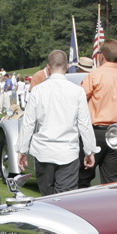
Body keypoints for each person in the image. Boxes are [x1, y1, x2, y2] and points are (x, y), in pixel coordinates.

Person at [17, 50, 98, 195]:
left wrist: (22, 150)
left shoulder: (37, 91)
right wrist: (89, 150)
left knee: (46, 198)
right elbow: (84, 124)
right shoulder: (77, 91)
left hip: (43, 151)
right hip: (67, 151)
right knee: (65, 199)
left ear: (48, 67)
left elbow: (28, 123)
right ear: (67, 66)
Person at [78, 39, 117, 188]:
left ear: (101, 56)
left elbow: (79, 101)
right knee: (112, 183)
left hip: (96, 132)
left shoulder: (95, 76)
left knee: (82, 177)